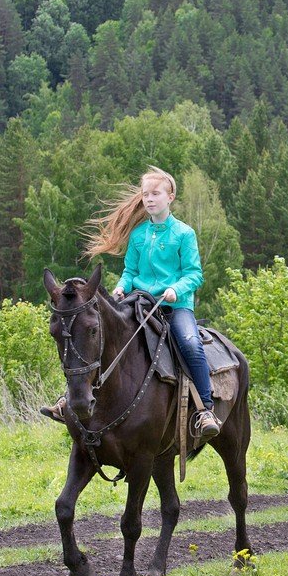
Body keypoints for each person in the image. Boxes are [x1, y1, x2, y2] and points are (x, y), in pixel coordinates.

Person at [42, 167, 221, 438]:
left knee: (190, 343)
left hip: (175, 306)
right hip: (140, 303)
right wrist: (121, 287)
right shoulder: (138, 235)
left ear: (170, 197)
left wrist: (175, 289)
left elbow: (194, 274)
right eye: (145, 194)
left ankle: (205, 409)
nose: (149, 199)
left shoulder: (184, 234)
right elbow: (131, 272)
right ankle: (69, 398)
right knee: (99, 338)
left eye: (155, 194)